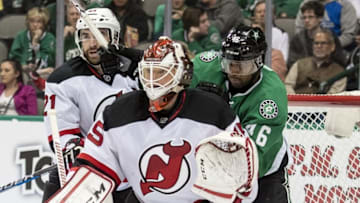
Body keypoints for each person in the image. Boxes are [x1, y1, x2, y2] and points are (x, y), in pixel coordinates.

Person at [47, 36, 259, 203]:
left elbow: (240, 183)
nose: (153, 81)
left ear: (181, 75)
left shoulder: (213, 112)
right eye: (148, 72)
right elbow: (92, 171)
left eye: (161, 73)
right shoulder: (119, 112)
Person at [41, 7, 143, 202]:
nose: (93, 42)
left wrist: (134, 57)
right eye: (86, 36)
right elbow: (62, 134)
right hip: (89, 166)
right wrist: (73, 147)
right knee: (57, 183)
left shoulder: (136, 70)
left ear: (114, 36)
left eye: (100, 33)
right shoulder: (62, 79)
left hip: (133, 166)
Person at [190, 25, 291, 202]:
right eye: (229, 64)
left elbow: (250, 163)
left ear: (259, 62)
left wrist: (220, 113)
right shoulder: (206, 67)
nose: (234, 72)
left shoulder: (269, 99)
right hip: (210, 166)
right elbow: (170, 85)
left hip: (262, 176)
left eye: (242, 66)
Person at [8, 6, 55, 97]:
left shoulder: (50, 38)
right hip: (22, 72)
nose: (35, 25)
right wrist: (23, 65)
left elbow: (49, 60)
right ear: (28, 22)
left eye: (39, 21)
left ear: (44, 23)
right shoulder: (21, 36)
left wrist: (35, 44)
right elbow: (13, 57)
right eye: (32, 21)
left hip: (43, 73)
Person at [288, 0, 347, 69]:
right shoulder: (297, 39)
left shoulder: (330, 36)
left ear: (320, 18)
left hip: (328, 74)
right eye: (304, 17)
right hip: (304, 75)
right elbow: (292, 64)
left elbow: (340, 61)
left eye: (310, 17)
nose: (306, 20)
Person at [285, 28, 347, 94]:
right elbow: (288, 86)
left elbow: (333, 97)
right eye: (316, 43)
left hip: (322, 103)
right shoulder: (299, 64)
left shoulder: (339, 72)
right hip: (296, 102)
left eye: (323, 43)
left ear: (332, 47)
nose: (319, 46)